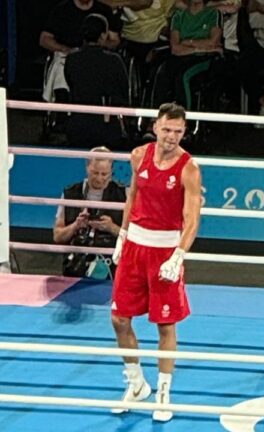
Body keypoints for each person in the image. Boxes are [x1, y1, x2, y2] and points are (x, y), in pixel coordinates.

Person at [109, 102, 203, 422]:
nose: (172, 137)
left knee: (165, 324)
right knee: (120, 318)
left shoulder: (189, 168)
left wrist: (178, 255)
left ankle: (163, 393)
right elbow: (132, 197)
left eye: (178, 131)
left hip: (165, 250)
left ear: (184, 132)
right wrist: (122, 236)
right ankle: (137, 385)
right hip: (134, 246)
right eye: (167, 129)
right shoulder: (138, 156)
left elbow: (192, 219)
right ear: (155, 127)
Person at [53, 146, 127, 278]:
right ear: (87, 168)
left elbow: (134, 239)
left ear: (111, 171)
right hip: (75, 266)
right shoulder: (70, 193)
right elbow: (57, 236)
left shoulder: (124, 195)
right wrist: (75, 226)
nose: (99, 178)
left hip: (112, 268)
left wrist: (112, 228)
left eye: (104, 174)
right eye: (95, 173)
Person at [64, 14, 129, 149]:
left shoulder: (71, 59)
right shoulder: (114, 60)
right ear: (103, 35)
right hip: (106, 127)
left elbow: (70, 82)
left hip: (77, 126)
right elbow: (124, 90)